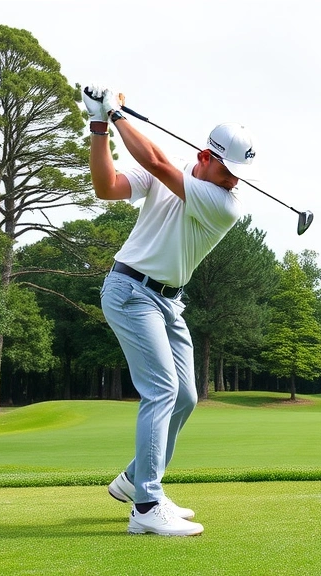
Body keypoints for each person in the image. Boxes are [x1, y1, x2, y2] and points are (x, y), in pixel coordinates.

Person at [82, 85, 256, 536]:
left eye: (239, 174)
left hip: (168, 302)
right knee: (161, 391)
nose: (234, 180)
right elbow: (107, 187)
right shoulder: (174, 171)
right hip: (130, 291)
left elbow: (155, 163)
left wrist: (117, 113)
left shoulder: (225, 205)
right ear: (206, 155)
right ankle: (146, 507)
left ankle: (135, 480)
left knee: (186, 397)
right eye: (228, 171)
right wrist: (99, 127)